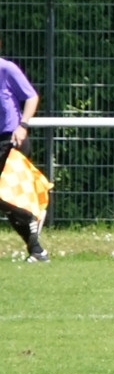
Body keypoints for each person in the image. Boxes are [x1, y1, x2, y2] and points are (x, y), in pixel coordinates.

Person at [0, 37, 47, 262]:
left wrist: (23, 125)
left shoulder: (7, 69)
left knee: (7, 197)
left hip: (10, 140)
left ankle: (30, 218)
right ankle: (37, 250)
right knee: (8, 202)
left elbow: (31, 96)